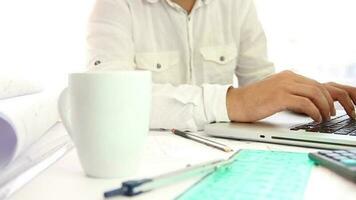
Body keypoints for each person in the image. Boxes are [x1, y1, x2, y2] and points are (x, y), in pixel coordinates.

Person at [87, 0, 356, 131]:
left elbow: (259, 81)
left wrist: (299, 95)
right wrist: (232, 102)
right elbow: (108, 99)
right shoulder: (115, 6)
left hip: (228, 156)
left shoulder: (236, 3)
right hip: (147, 164)